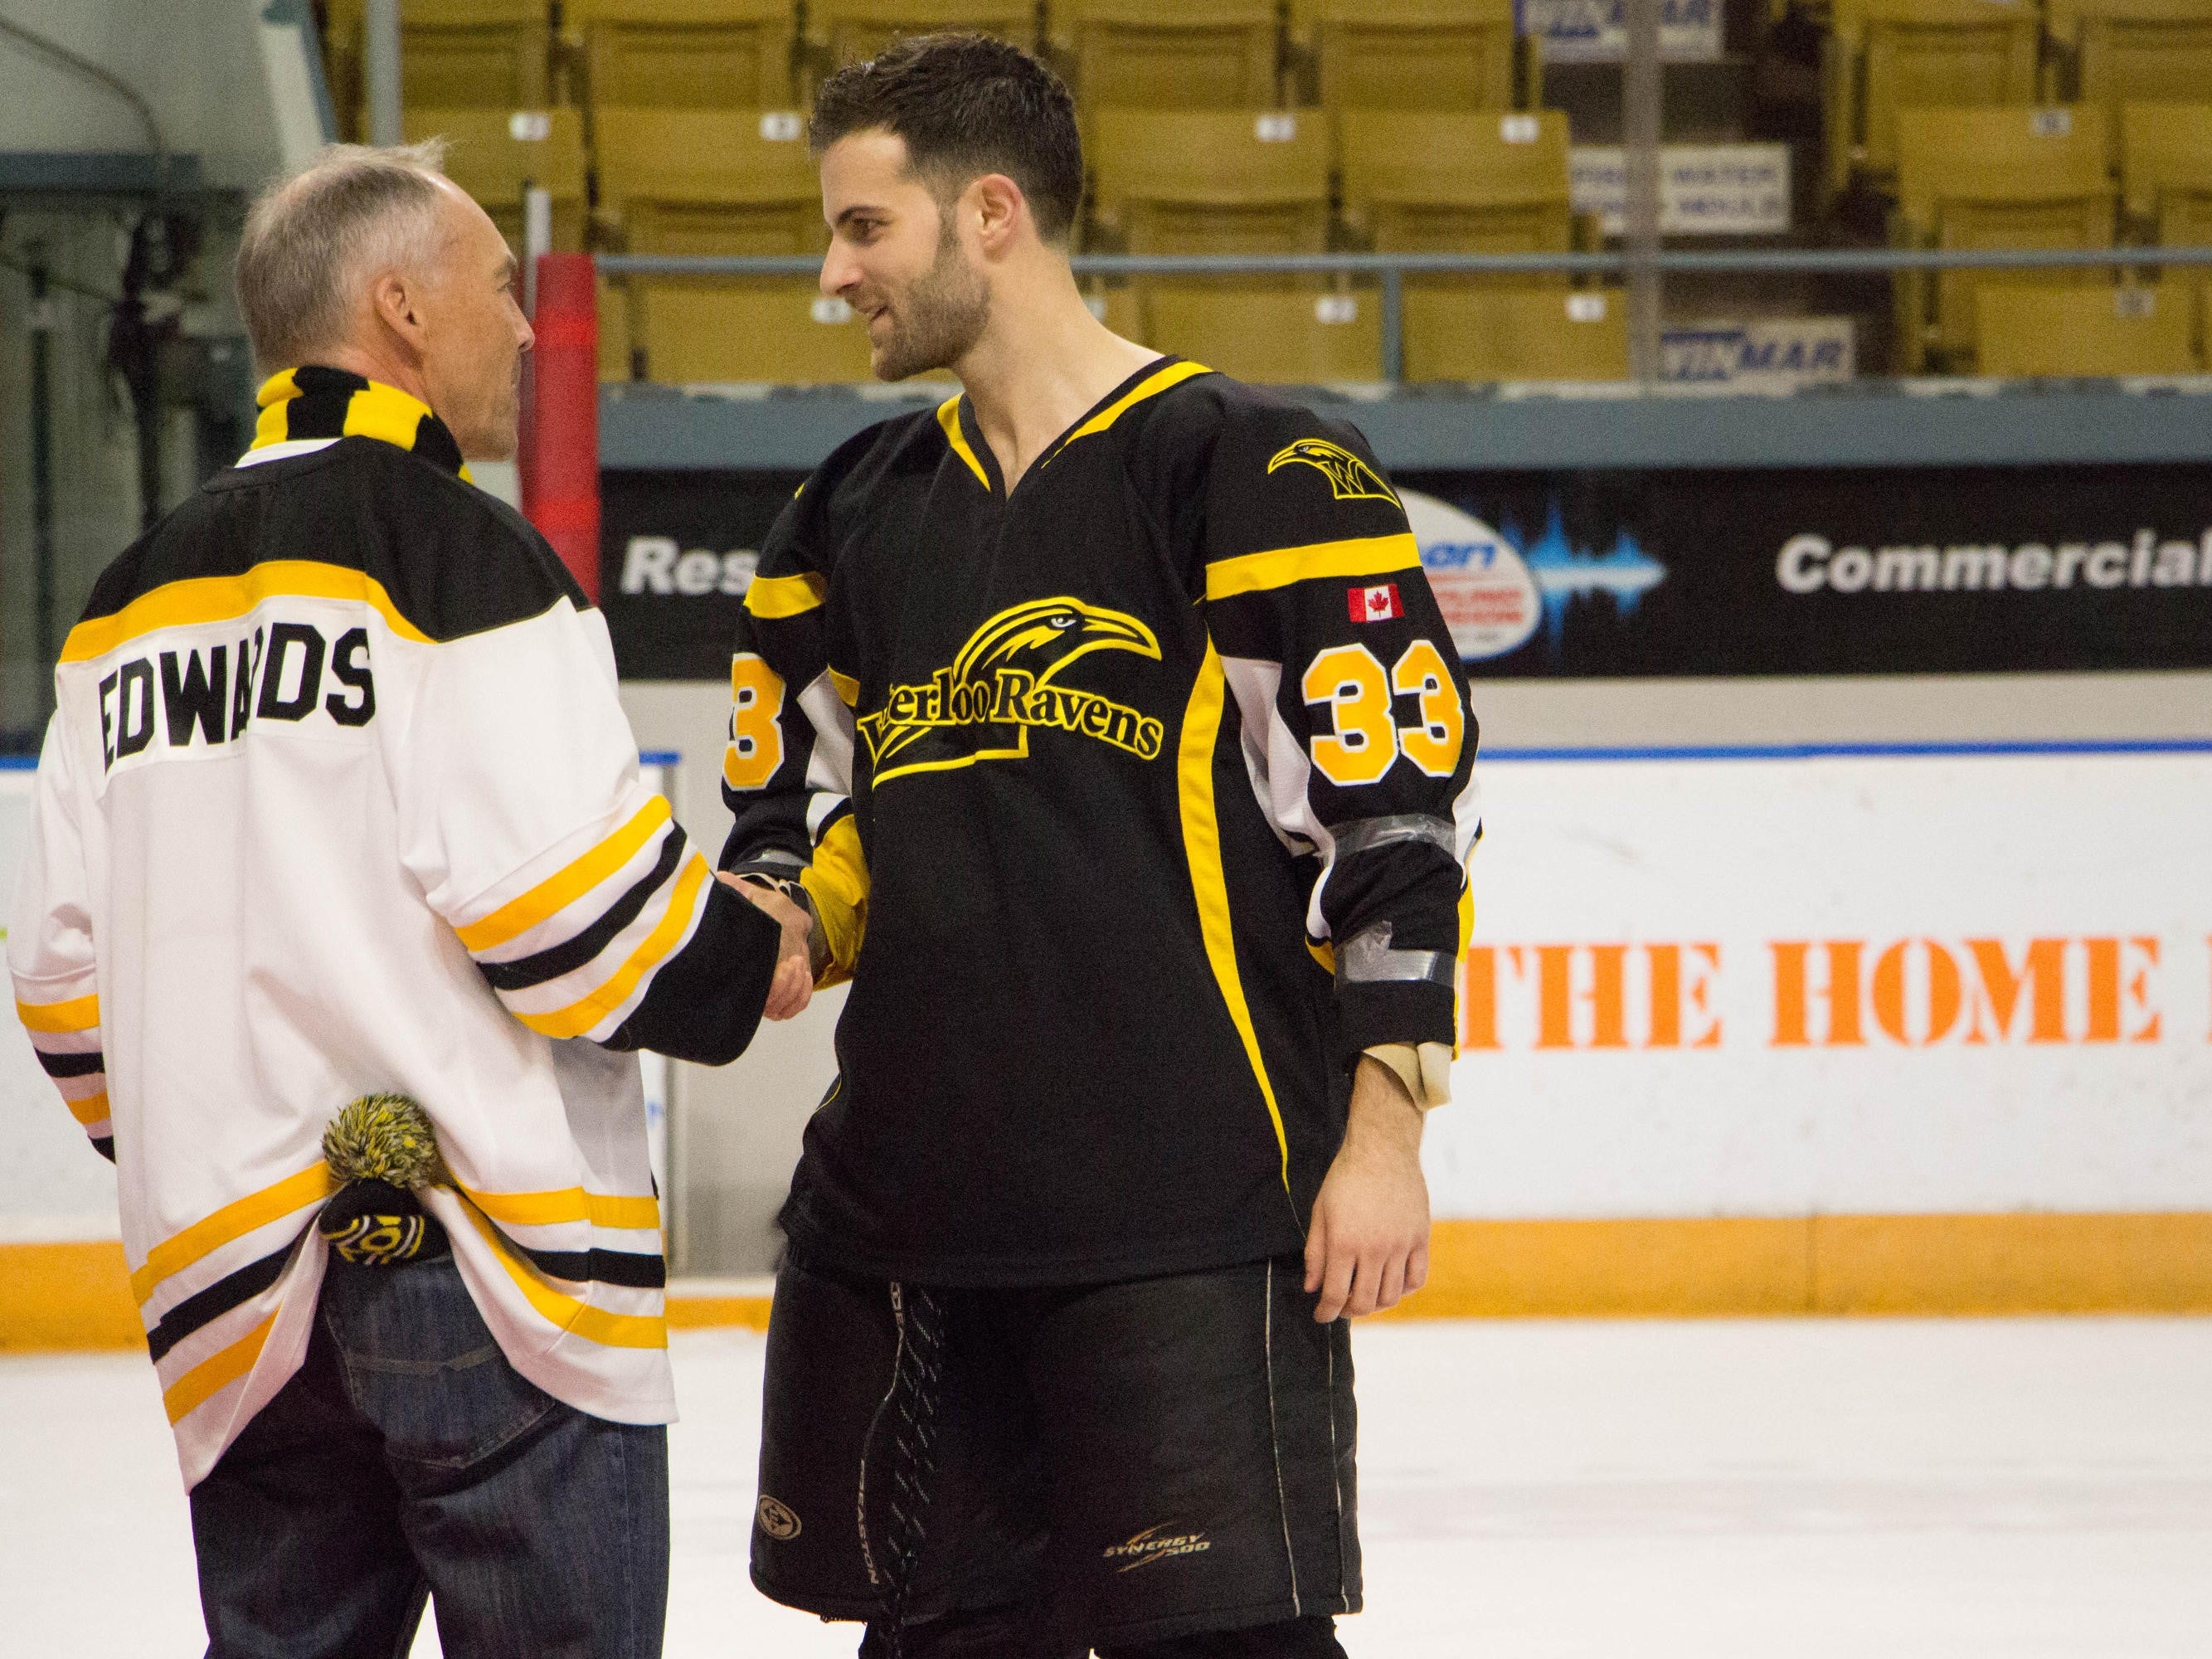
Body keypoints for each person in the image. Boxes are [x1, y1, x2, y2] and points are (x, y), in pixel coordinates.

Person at [722, 36, 1480, 1659]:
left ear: (986, 213)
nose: (829, 272)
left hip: (1185, 1218)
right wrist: (781, 917)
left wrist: (1385, 1129)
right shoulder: (845, 510)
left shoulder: (1249, 470)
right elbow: (810, 820)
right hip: (911, 1224)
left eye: (863, 230)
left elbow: (1395, 820)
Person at [7, 142, 811, 1658]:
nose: (523, 328)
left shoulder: (124, 602)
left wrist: (211, 1132)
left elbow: (60, 984)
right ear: (399, 308)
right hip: (486, 1283)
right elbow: (579, 927)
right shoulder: (465, 557)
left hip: (232, 1302)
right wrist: (754, 954)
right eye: (499, 290)